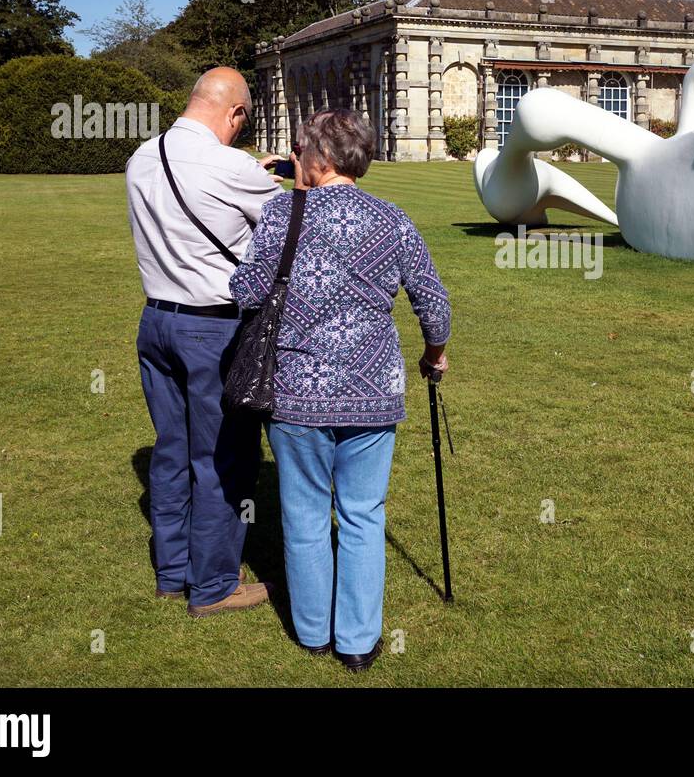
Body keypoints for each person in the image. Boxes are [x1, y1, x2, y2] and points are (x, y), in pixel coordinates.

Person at [229, 108, 451, 673]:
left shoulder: (281, 213)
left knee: (303, 513)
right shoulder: (392, 218)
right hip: (372, 390)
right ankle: (356, 641)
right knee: (362, 514)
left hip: (296, 392)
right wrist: (435, 353)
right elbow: (433, 301)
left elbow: (248, 291)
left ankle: (310, 631)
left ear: (320, 157)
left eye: (301, 151)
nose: (296, 159)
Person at [126, 67, 285, 616]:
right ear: (236, 113)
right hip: (213, 327)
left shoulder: (142, 157)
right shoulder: (232, 165)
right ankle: (214, 584)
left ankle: (172, 573)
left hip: (156, 322)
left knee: (172, 451)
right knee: (223, 455)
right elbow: (288, 227)